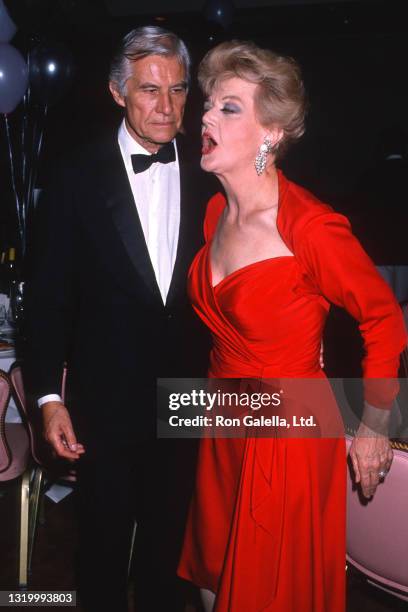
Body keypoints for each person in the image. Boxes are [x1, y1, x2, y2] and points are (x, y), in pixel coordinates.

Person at [177, 40, 407, 611]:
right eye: (209, 103)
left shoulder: (310, 227)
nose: (205, 115)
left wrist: (375, 427)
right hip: (223, 416)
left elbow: (383, 318)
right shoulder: (214, 213)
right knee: (212, 573)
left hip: (288, 434)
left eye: (229, 107)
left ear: (271, 133)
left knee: (265, 592)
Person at [24, 26, 215, 612]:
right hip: (103, 403)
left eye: (179, 90)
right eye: (150, 91)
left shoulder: (214, 172)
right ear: (117, 93)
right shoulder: (74, 176)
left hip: (189, 399)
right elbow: (49, 298)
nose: (167, 107)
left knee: (170, 558)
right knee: (101, 555)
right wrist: (46, 400)